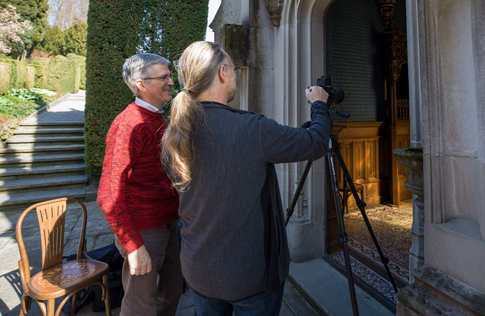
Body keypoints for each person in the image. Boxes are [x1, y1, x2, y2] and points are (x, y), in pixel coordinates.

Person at [161, 41, 332, 316]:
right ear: (222, 72)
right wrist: (319, 105)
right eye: (233, 69)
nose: (236, 76)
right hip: (249, 277)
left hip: (197, 269)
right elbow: (315, 143)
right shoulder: (252, 128)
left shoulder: (175, 133)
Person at [97, 53, 182, 316]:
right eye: (164, 77)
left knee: (171, 291)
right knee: (140, 306)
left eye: (170, 75)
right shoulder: (128, 125)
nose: (171, 81)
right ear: (140, 84)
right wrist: (133, 245)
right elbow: (108, 194)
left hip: (168, 224)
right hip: (144, 230)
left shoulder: (156, 117)